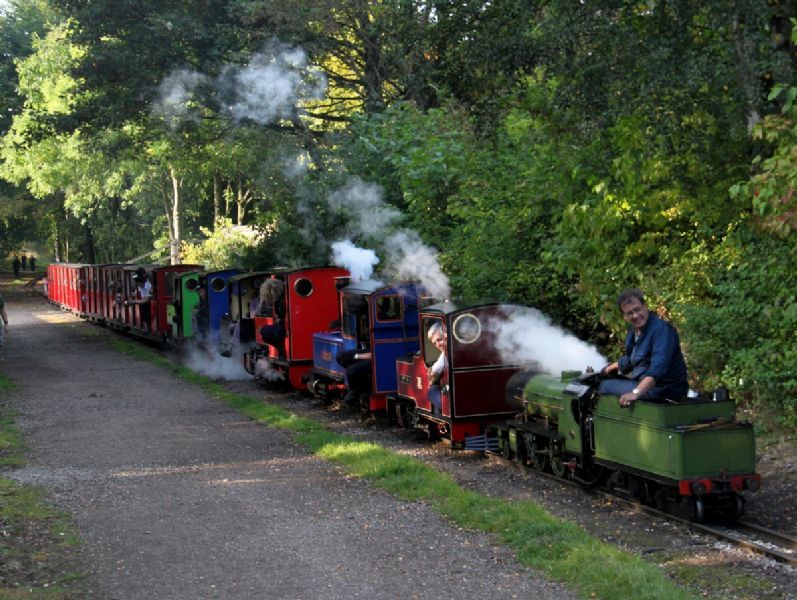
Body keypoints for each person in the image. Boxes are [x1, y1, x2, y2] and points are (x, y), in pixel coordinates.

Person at [599, 288, 688, 408]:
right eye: (629, 313)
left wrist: (635, 393)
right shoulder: (633, 331)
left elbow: (658, 370)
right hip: (645, 385)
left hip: (665, 390)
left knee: (604, 386)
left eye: (637, 309)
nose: (635, 315)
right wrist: (609, 368)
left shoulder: (661, 330)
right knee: (601, 381)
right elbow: (631, 359)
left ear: (645, 306)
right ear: (624, 316)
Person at [258, 278, 286, 358]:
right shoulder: (280, 300)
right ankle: (281, 349)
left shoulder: (280, 302)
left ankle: (281, 349)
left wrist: (280, 320)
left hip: (285, 328)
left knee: (264, 330)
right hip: (284, 326)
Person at [426, 322, 447, 415]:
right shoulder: (444, 354)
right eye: (435, 343)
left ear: (446, 336)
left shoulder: (445, 355)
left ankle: (442, 414)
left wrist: (431, 378)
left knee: (432, 390)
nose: (437, 345)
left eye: (439, 340)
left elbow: (433, 372)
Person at [126, 268, 153, 332]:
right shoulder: (140, 286)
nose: (138, 284)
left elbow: (147, 300)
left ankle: (149, 327)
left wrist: (134, 301)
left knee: (145, 307)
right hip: (143, 303)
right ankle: (145, 325)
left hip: (148, 305)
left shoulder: (149, 286)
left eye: (138, 282)